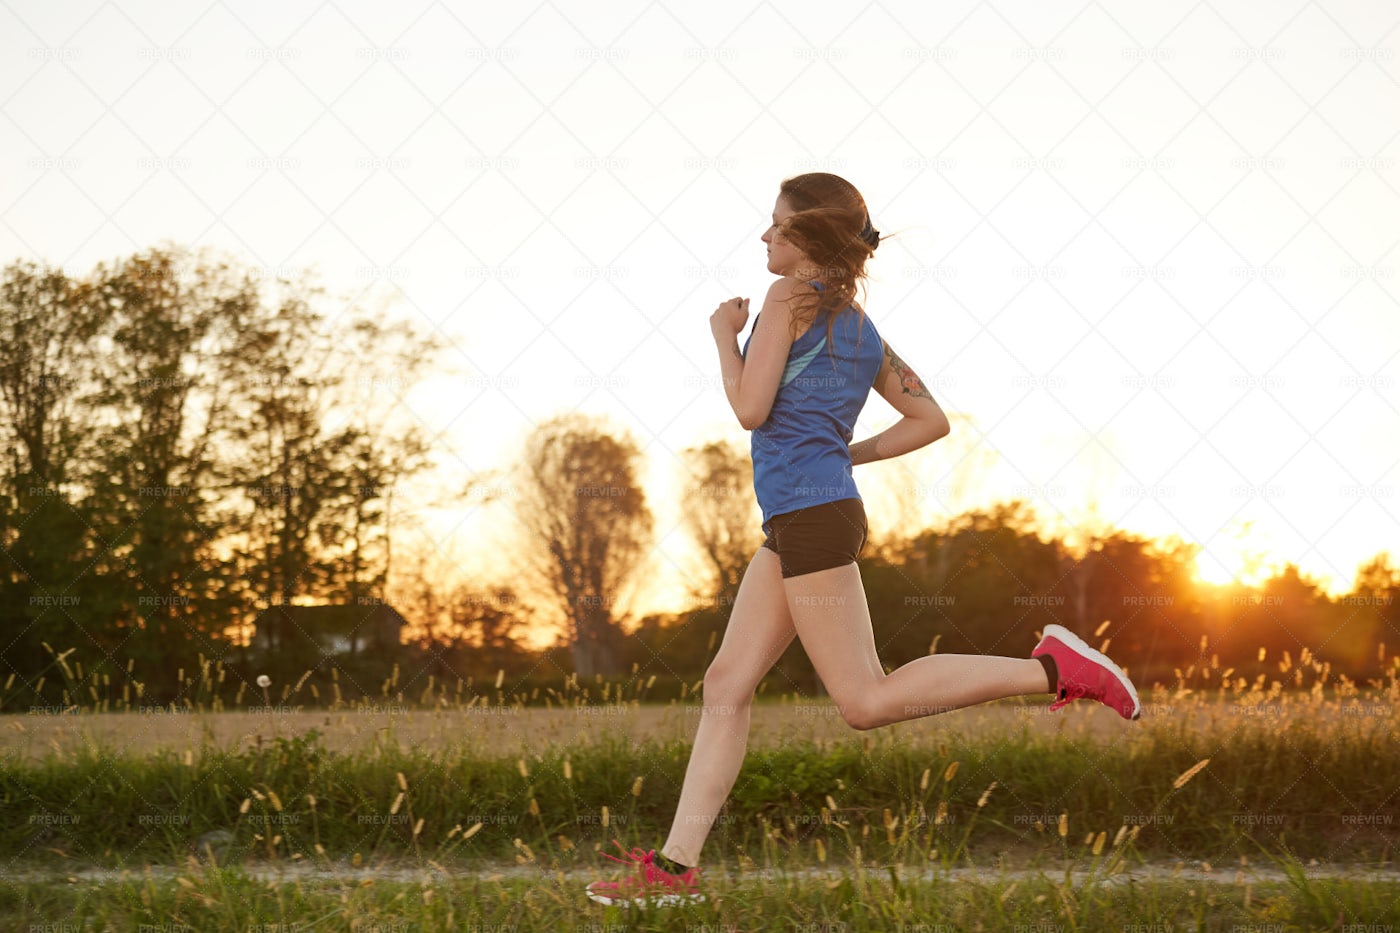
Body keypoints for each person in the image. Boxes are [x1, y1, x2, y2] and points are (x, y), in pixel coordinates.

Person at [585, 173, 1141, 908]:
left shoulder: (787, 300)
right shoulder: (861, 329)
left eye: (777, 226)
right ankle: (675, 868)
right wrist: (844, 453)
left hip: (811, 521)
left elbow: (751, 408)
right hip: (804, 515)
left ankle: (1054, 669)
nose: (764, 236)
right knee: (725, 684)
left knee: (864, 700)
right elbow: (930, 419)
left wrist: (722, 336)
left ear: (809, 238)